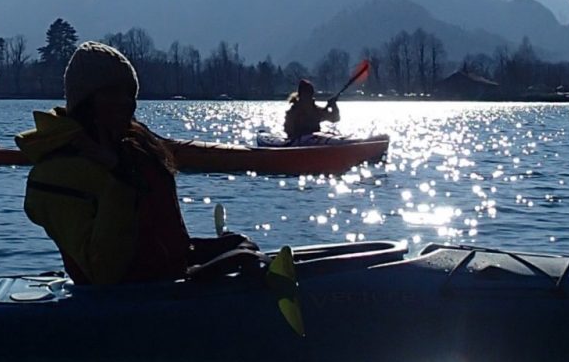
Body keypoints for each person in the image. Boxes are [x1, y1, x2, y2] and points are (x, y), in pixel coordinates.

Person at [17, 40, 261, 285]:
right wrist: (118, 176)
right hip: (125, 301)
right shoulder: (57, 173)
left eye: (129, 93)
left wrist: (224, 249)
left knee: (240, 247)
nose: (125, 102)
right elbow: (104, 273)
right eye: (112, 93)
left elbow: (165, 242)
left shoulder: (134, 146)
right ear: (86, 101)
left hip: (167, 285)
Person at [282, 76, 339, 144]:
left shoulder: (316, 110)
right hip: (298, 143)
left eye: (310, 94)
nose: (308, 97)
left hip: (314, 140)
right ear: (301, 95)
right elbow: (288, 131)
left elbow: (335, 118)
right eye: (306, 94)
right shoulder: (293, 112)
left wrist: (334, 106)